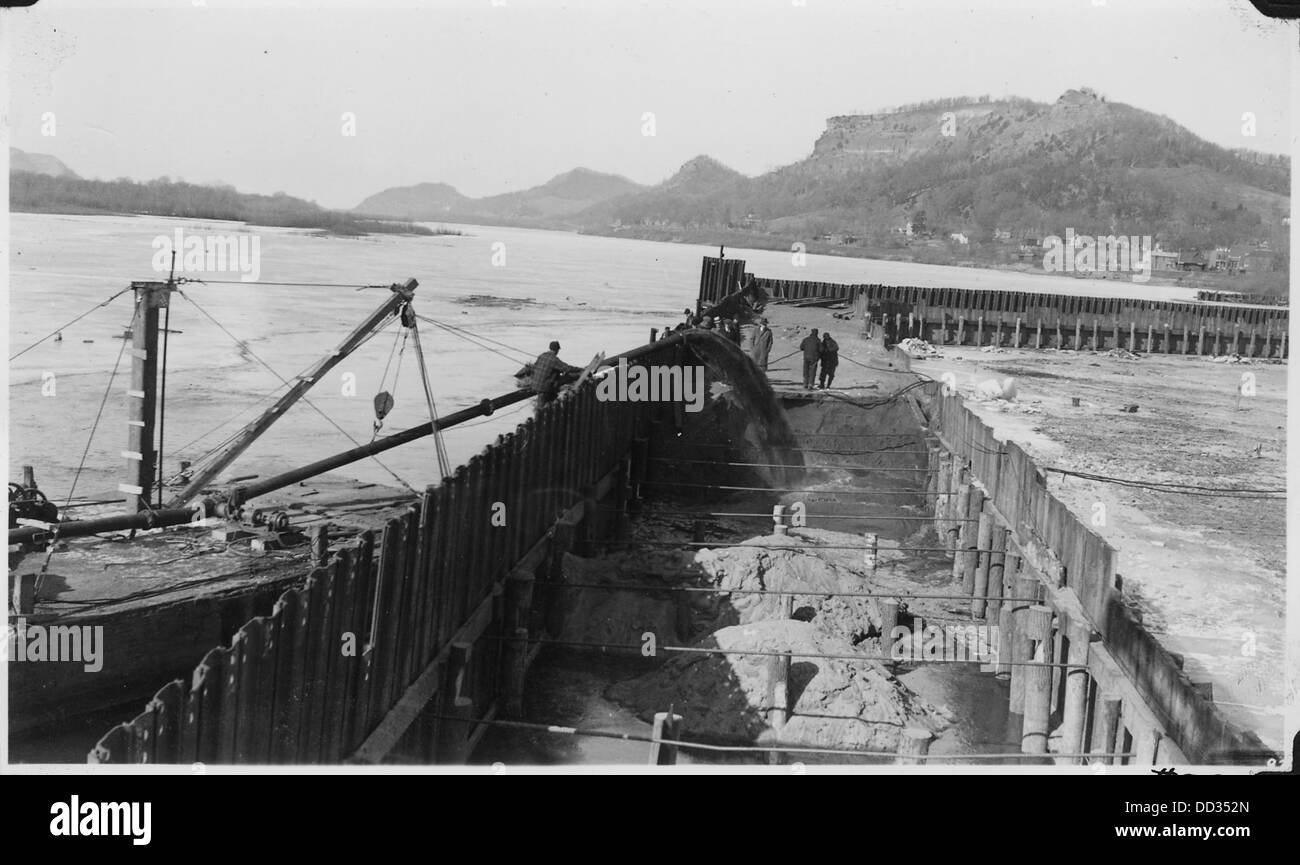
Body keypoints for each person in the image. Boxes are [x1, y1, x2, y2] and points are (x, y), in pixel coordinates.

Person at [530, 340, 582, 409]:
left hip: (535, 384)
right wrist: (580, 369)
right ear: (557, 350)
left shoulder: (542, 355)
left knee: (548, 399)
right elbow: (567, 368)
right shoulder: (554, 359)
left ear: (550, 348)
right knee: (542, 408)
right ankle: (545, 409)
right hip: (544, 388)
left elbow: (534, 368)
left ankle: (547, 405)